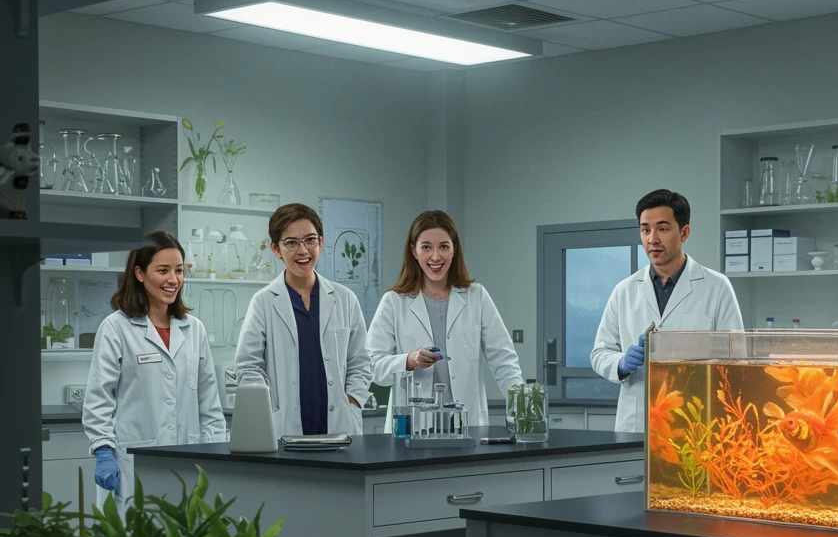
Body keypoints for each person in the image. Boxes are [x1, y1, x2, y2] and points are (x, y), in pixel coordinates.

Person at [83, 230, 226, 510]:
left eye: (179, 271)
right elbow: (99, 398)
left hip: (189, 461)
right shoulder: (116, 327)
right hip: (134, 464)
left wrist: (216, 453)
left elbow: (209, 404)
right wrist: (103, 450)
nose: (173, 280)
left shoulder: (193, 329)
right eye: (163, 270)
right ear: (139, 273)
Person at [591, 188, 743, 434]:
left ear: (684, 232)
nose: (652, 239)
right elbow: (599, 353)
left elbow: (737, 356)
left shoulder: (716, 287)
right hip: (636, 424)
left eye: (662, 229)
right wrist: (622, 363)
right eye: (645, 229)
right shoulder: (625, 290)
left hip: (695, 420)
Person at [367, 209, 522, 430]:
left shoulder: (476, 296)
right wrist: (409, 360)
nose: (436, 256)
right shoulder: (393, 302)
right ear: (414, 251)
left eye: (444, 246)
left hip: (464, 424)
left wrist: (522, 404)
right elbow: (373, 367)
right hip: (412, 425)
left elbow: (503, 359)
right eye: (426, 247)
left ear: (454, 249)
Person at [234, 202, 371, 437]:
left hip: (339, 426)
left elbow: (360, 362)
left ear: (321, 242)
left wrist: (353, 400)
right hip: (284, 425)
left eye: (310, 240)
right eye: (291, 243)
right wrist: (267, 406)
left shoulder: (345, 299)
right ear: (276, 249)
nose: (303, 251)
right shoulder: (264, 302)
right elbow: (248, 366)